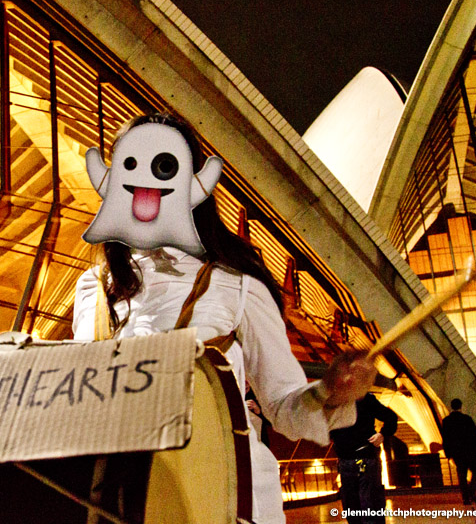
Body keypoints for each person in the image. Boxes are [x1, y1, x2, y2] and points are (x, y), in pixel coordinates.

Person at [72, 113, 376, 524]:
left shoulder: (237, 285)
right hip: (118, 503)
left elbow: (284, 405)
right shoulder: (93, 287)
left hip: (224, 500)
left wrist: (330, 392)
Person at [329, 393, 397, 523]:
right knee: (355, 506)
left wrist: (382, 434)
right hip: (351, 460)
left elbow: (390, 417)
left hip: (362, 459)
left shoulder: (363, 399)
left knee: (367, 504)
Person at [442, 398, 476, 505]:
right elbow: (475, 435)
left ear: (451, 407)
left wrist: (448, 453)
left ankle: (465, 498)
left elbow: (446, 439)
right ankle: (471, 492)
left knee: (462, 474)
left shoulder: (446, 421)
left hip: (457, 453)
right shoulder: (467, 419)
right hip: (470, 451)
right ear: (461, 406)